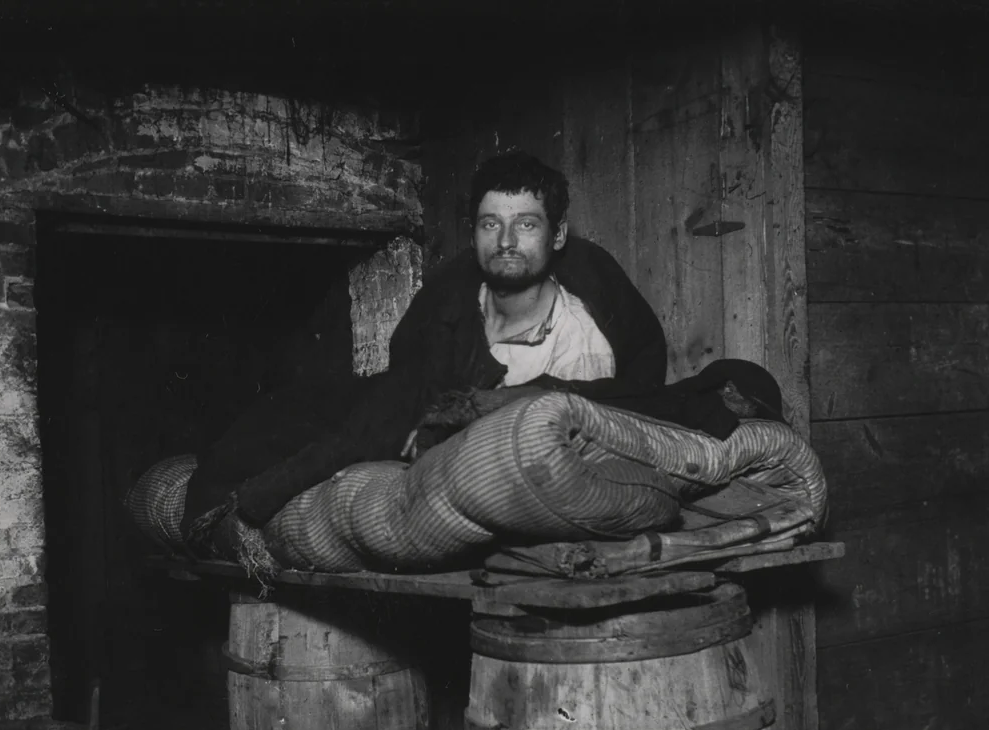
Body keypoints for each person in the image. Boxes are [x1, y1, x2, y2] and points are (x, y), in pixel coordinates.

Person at [180, 150, 668, 558]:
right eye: (490, 224)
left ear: (556, 235)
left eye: (525, 225)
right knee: (292, 412)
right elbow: (407, 380)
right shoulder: (454, 299)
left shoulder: (578, 342)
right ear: (473, 232)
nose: (505, 242)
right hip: (405, 402)